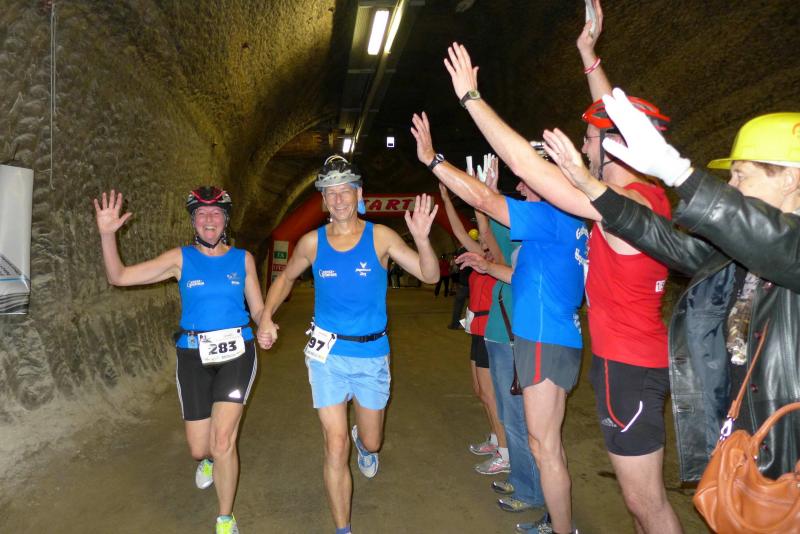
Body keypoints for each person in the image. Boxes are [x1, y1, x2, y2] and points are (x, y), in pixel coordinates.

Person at [441, 29, 681, 533]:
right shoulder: (647, 195)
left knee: (647, 503)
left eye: (591, 140)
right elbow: (620, 130)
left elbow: (523, 164)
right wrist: (589, 58)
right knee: (641, 503)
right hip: (630, 356)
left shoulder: (620, 206)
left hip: (628, 364)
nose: (585, 146)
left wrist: (471, 99)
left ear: (615, 148)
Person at [549, 88, 800, 483]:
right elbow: (667, 241)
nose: (732, 185)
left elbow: (774, 242)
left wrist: (676, 171)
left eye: (741, 174)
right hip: (747, 441)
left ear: (790, 178)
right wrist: (590, 185)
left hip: (788, 452)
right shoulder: (740, 254)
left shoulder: (787, 248)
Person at [411, 114, 585, 534]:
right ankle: (555, 518)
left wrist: (433, 159)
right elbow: (522, 275)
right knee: (545, 442)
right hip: (551, 336)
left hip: (543, 339)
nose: (521, 186)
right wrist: (487, 266)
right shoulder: (564, 221)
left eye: (527, 179)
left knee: (543, 445)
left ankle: (561, 527)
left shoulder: (551, 215)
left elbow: (488, 203)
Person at [256, 156, 439, 534]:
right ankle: (343, 528)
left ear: (359, 194)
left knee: (372, 441)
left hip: (371, 355)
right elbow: (285, 278)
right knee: (334, 445)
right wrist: (266, 316)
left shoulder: (381, 237)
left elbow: (429, 274)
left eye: (345, 191)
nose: (338, 199)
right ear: (323, 200)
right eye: (330, 193)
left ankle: (365, 443)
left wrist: (422, 240)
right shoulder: (311, 242)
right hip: (327, 356)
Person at [94, 186, 264, 534]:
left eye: (215, 213)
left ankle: (225, 517)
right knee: (200, 448)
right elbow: (119, 277)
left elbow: (258, 308)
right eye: (201, 214)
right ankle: (206, 460)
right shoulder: (180, 259)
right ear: (193, 221)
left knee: (223, 441)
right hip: (192, 353)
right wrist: (107, 235)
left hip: (237, 351)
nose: (209, 220)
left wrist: (267, 323)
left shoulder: (243, 259)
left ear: (226, 220)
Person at [457, 159, 551, 514]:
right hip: (499, 330)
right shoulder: (515, 226)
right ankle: (523, 480)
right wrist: (484, 200)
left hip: (517, 331)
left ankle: (533, 490)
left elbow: (504, 266)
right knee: (510, 416)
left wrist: (489, 197)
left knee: (524, 419)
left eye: (526, 182)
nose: (520, 189)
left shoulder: (537, 229)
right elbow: (491, 247)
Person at [439, 182, 510, 475]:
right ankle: (495, 439)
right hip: (476, 328)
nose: (481, 238)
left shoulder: (500, 260)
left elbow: (486, 233)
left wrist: (485, 200)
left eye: (486, 235)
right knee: (481, 391)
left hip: (492, 329)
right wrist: (445, 198)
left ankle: (505, 453)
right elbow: (458, 232)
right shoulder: (481, 255)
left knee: (492, 394)